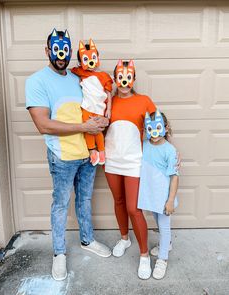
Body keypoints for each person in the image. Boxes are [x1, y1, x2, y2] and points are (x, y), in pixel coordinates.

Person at [25, 28, 111, 282]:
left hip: (88, 153)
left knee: (85, 200)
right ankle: (59, 253)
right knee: (60, 204)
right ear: (47, 51)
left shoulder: (78, 77)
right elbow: (43, 124)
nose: (61, 55)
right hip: (62, 156)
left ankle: (87, 240)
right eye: (56, 49)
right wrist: (85, 127)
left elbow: (95, 103)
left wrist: (103, 117)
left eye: (65, 50)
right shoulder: (37, 81)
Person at [104, 59, 156, 280]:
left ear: (133, 79)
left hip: (134, 161)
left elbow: (159, 127)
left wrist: (169, 152)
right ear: (115, 79)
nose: (124, 82)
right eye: (120, 77)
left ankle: (144, 255)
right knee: (118, 202)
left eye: (128, 77)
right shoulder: (107, 101)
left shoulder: (144, 101)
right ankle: (124, 238)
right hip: (112, 160)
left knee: (134, 209)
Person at [138, 110, 179, 279]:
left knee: (164, 226)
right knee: (156, 220)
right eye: (150, 129)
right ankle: (166, 244)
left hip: (163, 197)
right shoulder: (145, 143)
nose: (154, 133)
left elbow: (174, 177)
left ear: (166, 127)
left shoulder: (170, 150)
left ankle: (163, 259)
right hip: (150, 194)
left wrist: (170, 200)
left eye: (158, 128)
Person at [71, 39, 113, 166]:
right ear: (80, 62)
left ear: (97, 57)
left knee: (98, 130)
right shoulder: (81, 72)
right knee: (88, 129)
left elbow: (109, 93)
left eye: (93, 57)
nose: (90, 62)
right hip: (86, 107)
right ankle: (92, 151)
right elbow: (70, 71)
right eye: (85, 59)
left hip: (100, 107)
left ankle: (101, 151)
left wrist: (109, 109)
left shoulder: (104, 76)